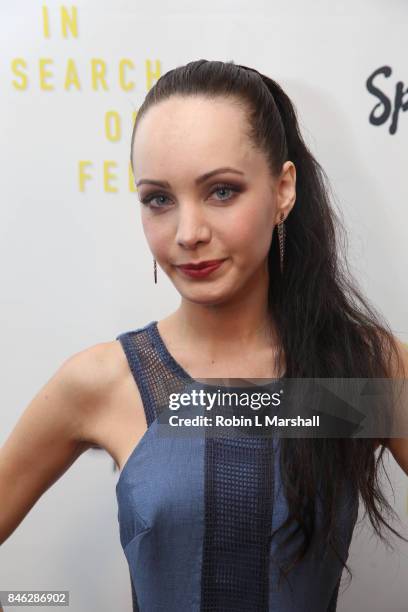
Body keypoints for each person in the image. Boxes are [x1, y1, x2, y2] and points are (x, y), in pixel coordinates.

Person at [1, 59, 407, 611]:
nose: (188, 234)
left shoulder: (359, 370)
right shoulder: (104, 382)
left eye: (221, 191)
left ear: (283, 189)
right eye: (159, 200)